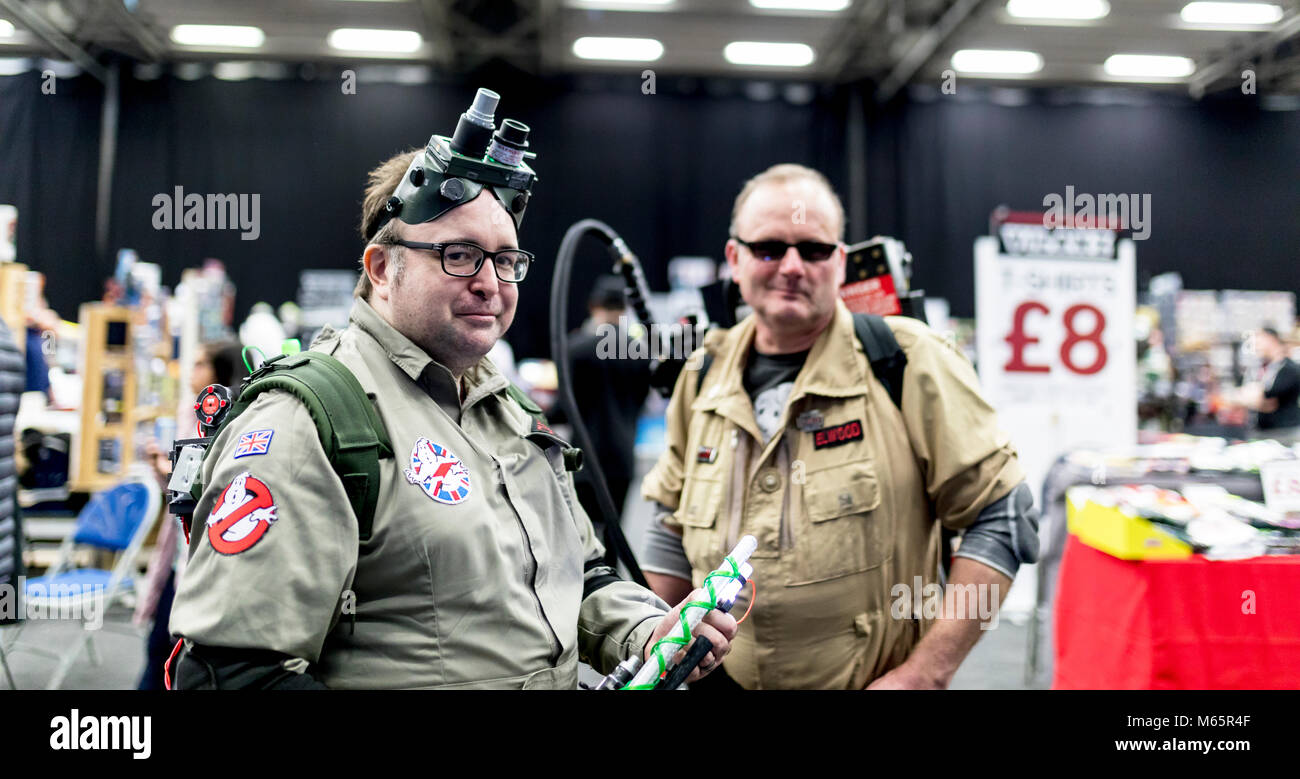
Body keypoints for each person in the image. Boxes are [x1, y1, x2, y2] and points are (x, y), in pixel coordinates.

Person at [168, 133, 735, 689]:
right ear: (382, 269)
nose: (491, 283)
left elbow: (577, 574)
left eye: (506, 259)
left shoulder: (511, 412)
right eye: (459, 256)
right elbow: (233, 671)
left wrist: (648, 629)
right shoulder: (309, 420)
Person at [639, 164, 1039, 689]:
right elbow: (670, 527)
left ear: (841, 262)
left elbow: (1004, 516)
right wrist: (652, 642)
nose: (791, 266)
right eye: (769, 248)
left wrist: (924, 675)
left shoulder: (907, 360)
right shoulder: (702, 374)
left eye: (814, 249)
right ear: (734, 259)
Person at [135, 339, 248, 690]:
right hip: (177, 561)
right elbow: (186, 490)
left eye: (200, 364)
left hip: (202, 566)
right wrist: (164, 470)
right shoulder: (192, 414)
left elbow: (213, 492)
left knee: (181, 661)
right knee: (160, 656)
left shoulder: (232, 421)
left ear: (220, 372)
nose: (192, 372)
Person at [566, 275, 651, 520]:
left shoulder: (577, 347)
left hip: (584, 459)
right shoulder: (639, 351)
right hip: (623, 459)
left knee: (584, 540)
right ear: (625, 308)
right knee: (614, 540)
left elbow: (565, 407)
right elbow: (642, 401)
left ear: (593, 305)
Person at [1251, 327, 1300, 441]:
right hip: (1263, 432)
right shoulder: (1262, 368)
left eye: (1260, 341)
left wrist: (1255, 398)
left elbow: (1267, 400)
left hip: (1285, 434)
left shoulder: (1290, 369)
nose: (1256, 346)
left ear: (1271, 340)